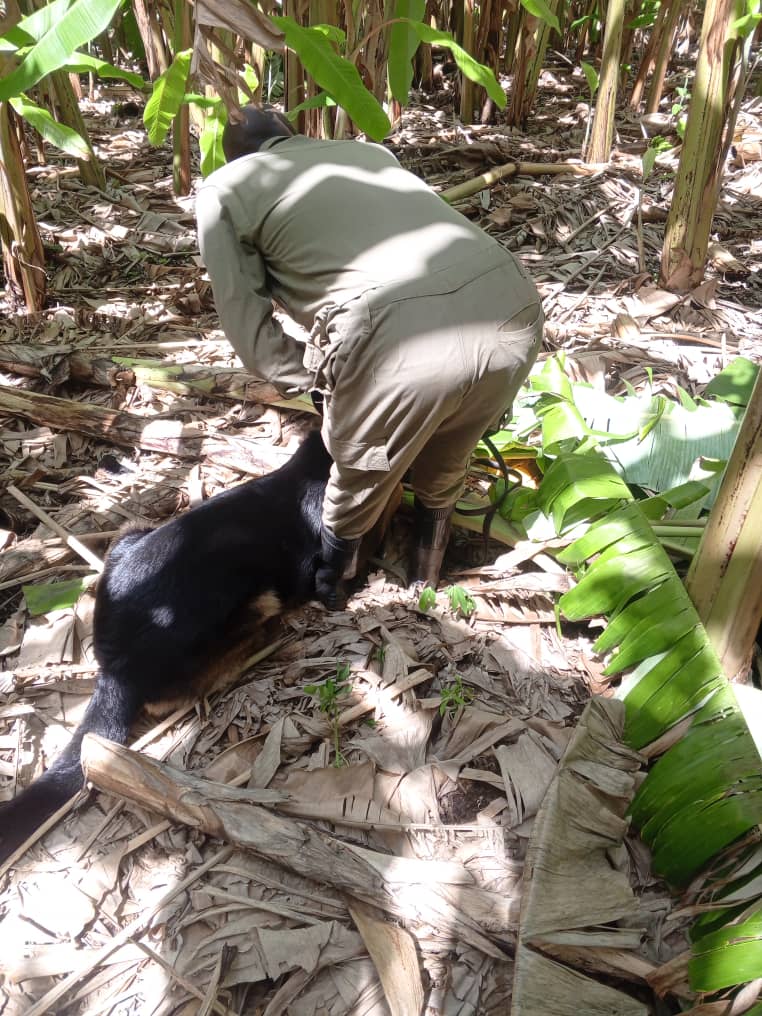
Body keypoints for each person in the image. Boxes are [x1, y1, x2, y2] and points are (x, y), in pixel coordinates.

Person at [196, 105, 543, 607]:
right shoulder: (366, 152)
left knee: (358, 476)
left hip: (395, 333)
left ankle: (336, 591)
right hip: (514, 302)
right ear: (294, 135)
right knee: (449, 453)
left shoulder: (224, 189)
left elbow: (249, 332)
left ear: (234, 158)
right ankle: (426, 581)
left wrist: (321, 377)